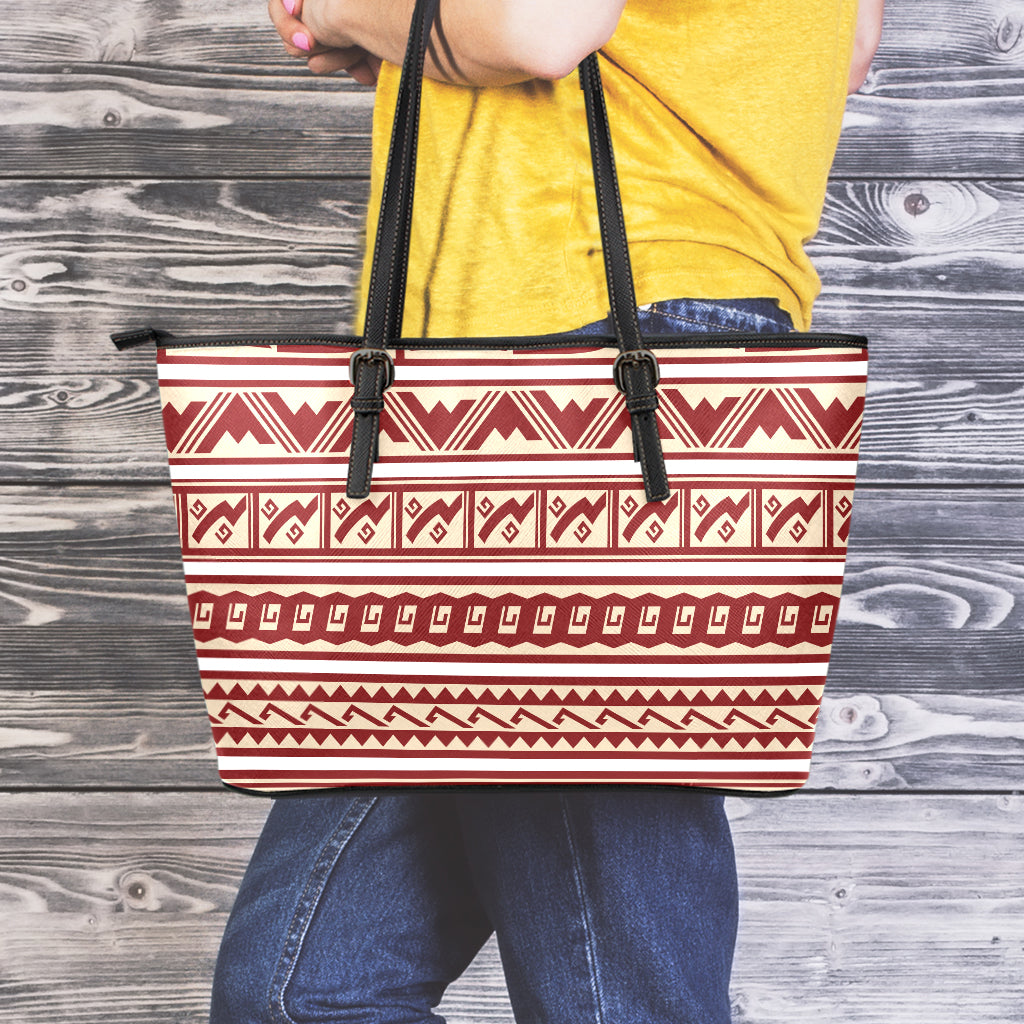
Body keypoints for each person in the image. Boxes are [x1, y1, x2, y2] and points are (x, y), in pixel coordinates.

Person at [210, 2, 884, 1022]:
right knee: (302, 994)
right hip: (528, 376)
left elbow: (533, 28)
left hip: (583, 350)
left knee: (609, 997)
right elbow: (838, 48)